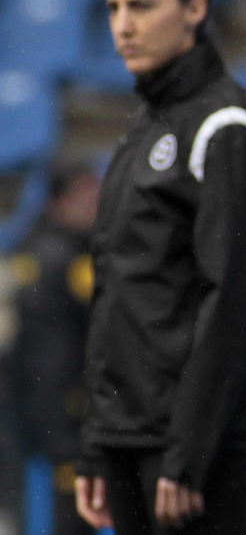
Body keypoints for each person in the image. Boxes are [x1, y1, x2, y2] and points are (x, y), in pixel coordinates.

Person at [75, 0, 246, 535]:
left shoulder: (228, 131)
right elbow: (119, 297)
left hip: (193, 450)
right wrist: (98, 441)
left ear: (194, 10)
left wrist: (190, 452)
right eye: (113, 8)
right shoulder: (145, 129)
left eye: (141, 5)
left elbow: (237, 304)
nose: (123, 26)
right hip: (129, 436)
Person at [10, 164, 101, 535]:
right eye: (85, 195)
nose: (96, 204)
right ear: (58, 204)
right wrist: (60, 431)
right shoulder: (63, 260)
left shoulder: (49, 250)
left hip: (53, 417)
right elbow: (45, 359)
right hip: (58, 419)